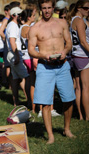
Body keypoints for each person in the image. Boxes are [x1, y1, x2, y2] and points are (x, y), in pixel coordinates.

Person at [28, 0, 76, 144]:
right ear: (40, 9)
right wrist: (44, 55)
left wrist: (65, 52)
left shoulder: (62, 23)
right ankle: (50, 135)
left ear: (53, 8)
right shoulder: (35, 28)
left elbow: (69, 42)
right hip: (45, 67)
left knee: (68, 98)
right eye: (44, 8)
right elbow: (31, 50)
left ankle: (66, 129)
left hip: (62, 65)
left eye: (49, 8)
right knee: (45, 103)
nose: (47, 11)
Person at [68, 0, 89, 121]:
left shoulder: (73, 20)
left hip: (76, 56)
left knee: (78, 88)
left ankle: (81, 115)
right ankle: (87, 116)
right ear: (78, 8)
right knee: (85, 87)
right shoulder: (80, 21)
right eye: (86, 8)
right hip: (83, 56)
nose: (88, 10)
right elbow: (83, 41)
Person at [6, 7, 30, 107]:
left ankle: (16, 102)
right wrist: (17, 56)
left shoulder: (12, 25)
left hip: (12, 54)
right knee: (27, 77)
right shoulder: (13, 26)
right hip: (15, 54)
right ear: (13, 16)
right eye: (18, 14)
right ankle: (30, 102)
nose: (20, 16)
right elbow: (12, 41)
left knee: (15, 79)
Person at [20, 8, 37, 112]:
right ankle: (34, 107)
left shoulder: (24, 26)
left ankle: (32, 105)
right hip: (29, 57)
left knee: (31, 82)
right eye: (33, 16)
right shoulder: (26, 28)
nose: (35, 18)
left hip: (26, 57)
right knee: (34, 84)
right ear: (29, 17)